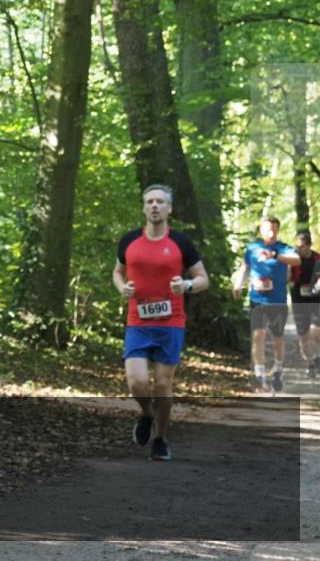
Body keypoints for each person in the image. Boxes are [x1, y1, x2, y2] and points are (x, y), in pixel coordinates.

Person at [112, 184, 209, 461]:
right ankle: (146, 414)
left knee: (163, 386)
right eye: (150, 202)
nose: (154, 206)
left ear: (169, 208)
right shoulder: (129, 240)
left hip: (170, 323)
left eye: (160, 202)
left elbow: (203, 279)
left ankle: (161, 439)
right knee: (137, 382)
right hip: (138, 322)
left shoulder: (180, 242)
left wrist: (186, 285)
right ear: (144, 208)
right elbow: (117, 272)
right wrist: (122, 288)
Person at [232, 216, 301, 392]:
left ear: (278, 230)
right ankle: (259, 375)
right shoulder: (252, 248)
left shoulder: (283, 248)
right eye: (267, 229)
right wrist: (238, 284)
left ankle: (278, 369)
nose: (271, 232)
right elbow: (245, 267)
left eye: (274, 229)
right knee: (258, 336)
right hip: (258, 299)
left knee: (277, 338)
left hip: (277, 300)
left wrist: (276, 255)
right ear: (261, 230)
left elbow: (297, 260)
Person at [290, 230, 320, 380]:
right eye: (296, 246)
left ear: (308, 246)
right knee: (303, 336)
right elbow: (286, 277)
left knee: (316, 331)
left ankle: (318, 357)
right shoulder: (293, 260)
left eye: (301, 247)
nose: (298, 249)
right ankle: (310, 364)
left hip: (316, 300)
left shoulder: (317, 259)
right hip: (299, 301)